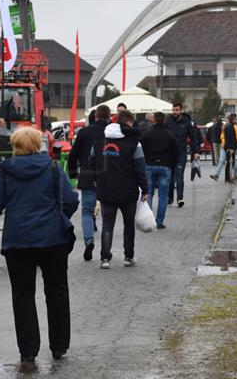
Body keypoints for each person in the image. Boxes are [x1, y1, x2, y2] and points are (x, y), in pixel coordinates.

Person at [0, 126, 79, 363]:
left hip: (19, 239)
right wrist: (59, 217)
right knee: (57, 290)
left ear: (15, 146)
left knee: (23, 294)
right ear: (38, 145)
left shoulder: (5, 172)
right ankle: (59, 345)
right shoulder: (53, 169)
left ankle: (28, 350)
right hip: (53, 238)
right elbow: (71, 199)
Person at [92, 109, 148, 269]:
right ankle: (128, 256)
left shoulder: (99, 140)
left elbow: (91, 161)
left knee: (107, 224)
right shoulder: (134, 142)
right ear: (129, 122)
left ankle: (105, 258)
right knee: (128, 224)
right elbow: (140, 167)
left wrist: (97, 179)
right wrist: (145, 189)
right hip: (128, 190)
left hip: (106, 189)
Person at [67, 104, 111, 261]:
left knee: (87, 211)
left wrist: (72, 172)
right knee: (108, 214)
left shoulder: (84, 132)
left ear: (96, 116)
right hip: (108, 177)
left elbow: (73, 155)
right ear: (109, 116)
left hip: (87, 176)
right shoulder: (112, 132)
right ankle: (106, 249)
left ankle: (89, 241)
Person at [140, 111, 179, 230]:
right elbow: (176, 152)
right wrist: (171, 165)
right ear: (165, 120)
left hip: (149, 165)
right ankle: (160, 221)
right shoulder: (170, 135)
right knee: (163, 196)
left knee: (149, 194)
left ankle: (150, 221)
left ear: (153, 120)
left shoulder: (146, 134)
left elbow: (140, 150)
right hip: (165, 166)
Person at [164, 103, 199, 207]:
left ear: (181, 110)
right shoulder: (168, 121)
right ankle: (170, 198)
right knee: (170, 177)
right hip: (169, 154)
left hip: (181, 153)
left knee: (179, 176)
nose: (174, 112)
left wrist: (196, 152)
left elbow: (194, 138)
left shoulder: (187, 122)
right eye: (173, 110)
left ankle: (180, 198)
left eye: (177, 110)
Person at [210, 113, 237, 183]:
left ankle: (234, 174)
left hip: (230, 145)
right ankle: (216, 175)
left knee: (232, 161)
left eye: (227, 119)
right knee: (222, 161)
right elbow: (222, 135)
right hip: (224, 145)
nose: (226, 120)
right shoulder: (225, 126)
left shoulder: (235, 126)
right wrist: (223, 140)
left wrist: (233, 141)